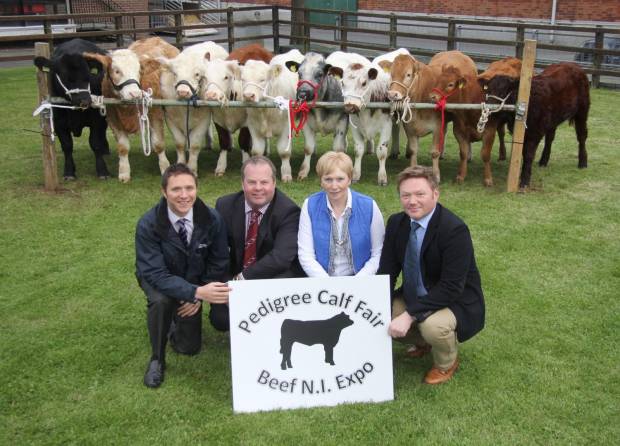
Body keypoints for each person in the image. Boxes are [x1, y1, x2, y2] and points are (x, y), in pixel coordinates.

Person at [378, 166, 485, 385]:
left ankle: (446, 363)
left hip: (453, 299)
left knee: (432, 326)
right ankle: (424, 343)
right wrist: (375, 300)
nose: (412, 201)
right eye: (406, 195)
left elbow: (451, 287)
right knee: (380, 315)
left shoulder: (454, 230)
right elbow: (388, 269)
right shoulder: (397, 223)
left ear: (435, 194)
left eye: (420, 194)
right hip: (415, 293)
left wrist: (409, 315)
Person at [135, 163, 230, 389]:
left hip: (195, 283)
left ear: (197, 189)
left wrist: (197, 295)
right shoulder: (148, 224)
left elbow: (219, 262)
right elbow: (155, 273)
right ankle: (157, 359)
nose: (184, 195)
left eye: (189, 188)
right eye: (176, 189)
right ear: (164, 192)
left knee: (189, 347)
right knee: (161, 301)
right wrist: (193, 292)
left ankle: (174, 323)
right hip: (160, 278)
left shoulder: (212, 218)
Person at [214, 156, 305, 329]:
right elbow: (217, 252)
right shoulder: (224, 206)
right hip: (235, 278)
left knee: (272, 319)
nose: (258, 188)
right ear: (242, 184)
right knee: (221, 320)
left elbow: (281, 258)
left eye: (264, 182)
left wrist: (241, 279)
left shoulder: (289, 212)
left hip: (273, 278)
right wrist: (227, 286)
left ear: (274, 183)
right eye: (252, 182)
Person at [298, 151, 385, 277]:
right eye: (328, 179)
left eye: (340, 179)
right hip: (321, 281)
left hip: (361, 280)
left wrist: (358, 281)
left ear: (349, 179)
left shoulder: (369, 206)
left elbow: (378, 252)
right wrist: (329, 285)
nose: (334, 186)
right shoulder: (309, 205)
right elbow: (306, 254)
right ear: (321, 181)